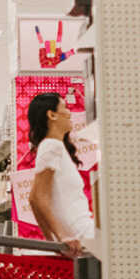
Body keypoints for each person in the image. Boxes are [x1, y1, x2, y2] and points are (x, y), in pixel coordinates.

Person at [25, 92, 91, 256]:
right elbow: (37, 198)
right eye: (65, 107)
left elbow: (34, 198)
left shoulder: (54, 147)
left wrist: (53, 241)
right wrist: (60, 237)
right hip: (81, 232)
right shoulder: (51, 145)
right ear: (52, 114)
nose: (70, 113)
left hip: (79, 234)